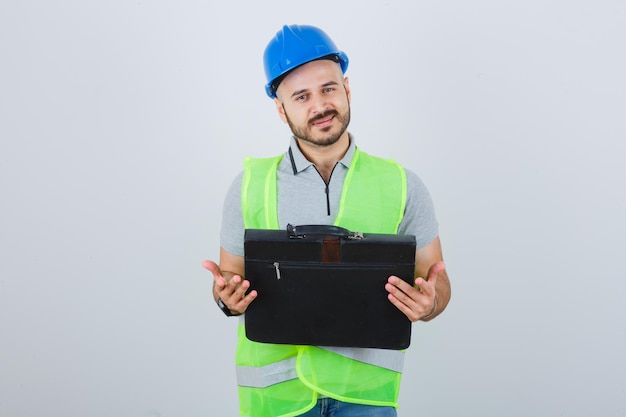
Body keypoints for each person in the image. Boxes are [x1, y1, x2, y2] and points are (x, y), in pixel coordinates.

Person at [203, 24, 451, 417]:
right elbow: (228, 284)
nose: (320, 105)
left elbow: (437, 282)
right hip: (278, 401)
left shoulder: (402, 184)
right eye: (301, 96)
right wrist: (226, 299)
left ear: (347, 89)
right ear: (281, 109)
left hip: (367, 399)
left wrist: (430, 301)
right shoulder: (249, 185)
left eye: (329, 89)